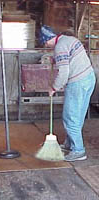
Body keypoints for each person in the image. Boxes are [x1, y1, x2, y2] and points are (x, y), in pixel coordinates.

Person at [39, 25, 96, 162]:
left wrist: (54, 87)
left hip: (77, 82)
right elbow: (69, 59)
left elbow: (64, 73)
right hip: (89, 78)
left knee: (70, 117)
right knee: (78, 116)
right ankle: (69, 144)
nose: (47, 46)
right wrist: (56, 60)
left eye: (45, 43)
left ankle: (78, 150)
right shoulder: (68, 39)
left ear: (48, 40)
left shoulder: (59, 47)